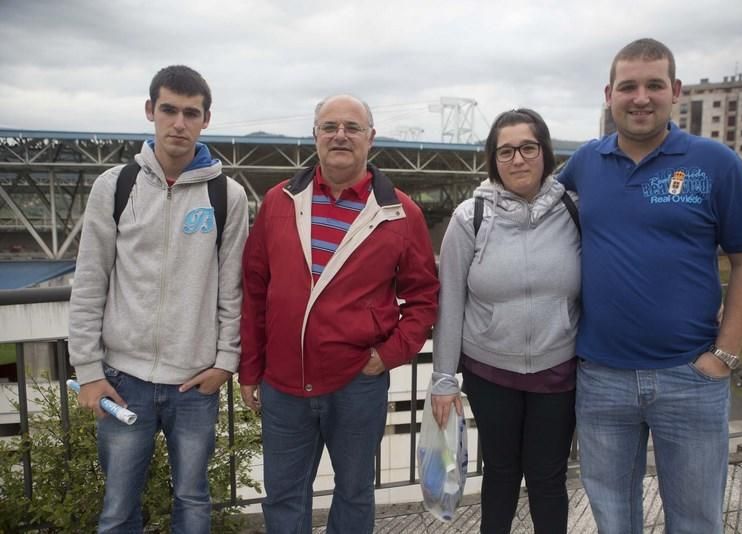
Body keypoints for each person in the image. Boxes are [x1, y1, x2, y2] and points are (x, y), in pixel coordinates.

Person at [559, 38, 742, 534]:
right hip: (602, 379)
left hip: (689, 377)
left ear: (674, 91)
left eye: (654, 85)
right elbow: (532, 211)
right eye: (628, 86)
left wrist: (724, 356)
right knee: (612, 518)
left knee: (696, 520)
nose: (640, 97)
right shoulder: (585, 164)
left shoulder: (715, 163)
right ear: (609, 94)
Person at [238, 94, 439, 534]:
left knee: (353, 494)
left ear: (371, 138)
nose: (340, 135)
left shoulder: (401, 214)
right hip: (283, 385)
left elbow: (423, 298)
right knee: (284, 497)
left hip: (356, 383)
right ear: (315, 137)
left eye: (351, 127)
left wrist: (388, 355)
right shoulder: (279, 202)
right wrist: (250, 369)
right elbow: (254, 289)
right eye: (330, 127)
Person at [68, 65, 249, 533]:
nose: (178, 123)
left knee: (193, 500)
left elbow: (232, 288)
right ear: (150, 111)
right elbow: (90, 282)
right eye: (168, 110)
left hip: (194, 384)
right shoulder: (115, 186)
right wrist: (88, 371)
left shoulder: (225, 195)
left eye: (191, 113)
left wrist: (226, 361)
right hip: (123, 380)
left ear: (206, 119)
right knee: (118, 508)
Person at [431, 108, 581, 534]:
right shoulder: (469, 218)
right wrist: (444, 378)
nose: (518, 159)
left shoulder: (573, 211)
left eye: (528, 148)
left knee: (548, 477)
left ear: (545, 152)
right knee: (500, 473)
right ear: (493, 160)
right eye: (506, 151)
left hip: (558, 370)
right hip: (491, 370)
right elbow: (452, 300)